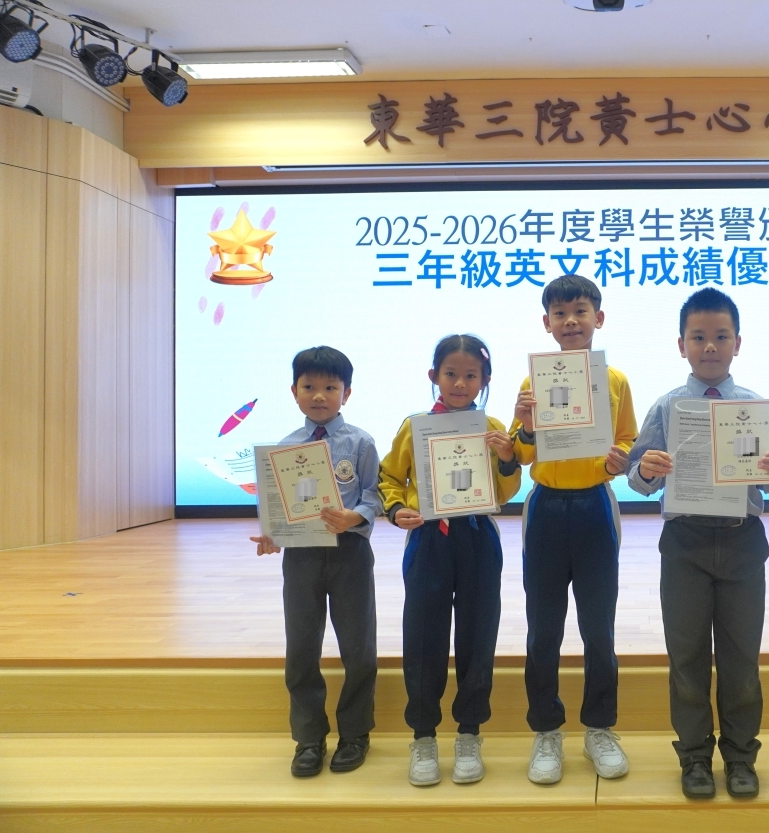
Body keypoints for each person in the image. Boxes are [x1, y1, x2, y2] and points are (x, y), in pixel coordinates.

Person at [627, 287, 769, 800]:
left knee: (742, 660)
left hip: (743, 542)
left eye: (721, 337)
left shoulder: (752, 407)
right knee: (687, 658)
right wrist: (647, 470)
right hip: (685, 543)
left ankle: (741, 757)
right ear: (681, 344)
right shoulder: (666, 407)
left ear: (737, 343)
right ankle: (695, 757)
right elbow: (637, 479)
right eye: (698, 337)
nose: (709, 347)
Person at [508, 274, 639, 785]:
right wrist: (525, 426)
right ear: (547, 323)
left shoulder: (615, 380)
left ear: (598, 318)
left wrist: (618, 460)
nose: (570, 321)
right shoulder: (531, 383)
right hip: (545, 508)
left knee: (598, 628)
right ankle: (546, 730)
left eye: (580, 311)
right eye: (560, 313)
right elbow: (519, 455)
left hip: (594, 508)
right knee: (543, 629)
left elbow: (627, 440)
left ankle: (600, 728)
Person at [379, 334, 522, 787]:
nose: (460, 383)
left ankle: (469, 733)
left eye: (470, 376)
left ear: (485, 380)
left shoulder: (493, 426)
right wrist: (395, 510)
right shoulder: (415, 426)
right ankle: (423, 736)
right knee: (423, 636)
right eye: (451, 374)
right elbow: (389, 477)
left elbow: (506, 490)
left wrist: (506, 458)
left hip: (477, 536)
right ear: (434, 376)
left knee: (479, 634)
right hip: (428, 539)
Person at [250, 346, 383, 778]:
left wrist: (355, 516)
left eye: (330, 387)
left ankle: (355, 734)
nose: (319, 395)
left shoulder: (361, 443)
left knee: (358, 649)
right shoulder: (285, 449)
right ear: (294, 391)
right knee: (301, 649)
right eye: (309, 386)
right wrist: (271, 536)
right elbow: (277, 506)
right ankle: (308, 738)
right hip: (302, 558)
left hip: (349, 554)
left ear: (347, 393)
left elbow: (375, 494)